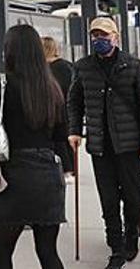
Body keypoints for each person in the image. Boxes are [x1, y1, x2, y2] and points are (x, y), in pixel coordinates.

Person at [67, 17, 140, 269]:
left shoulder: (133, 66)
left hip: (130, 145)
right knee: (107, 198)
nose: (99, 40)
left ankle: (132, 235)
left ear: (115, 37)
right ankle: (116, 247)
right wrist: (74, 130)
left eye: (104, 35)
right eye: (95, 35)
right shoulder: (83, 67)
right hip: (99, 145)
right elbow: (74, 102)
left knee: (132, 197)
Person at [0, 24, 69, 269]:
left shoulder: (2, 84)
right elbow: (61, 135)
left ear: (10, 51)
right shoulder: (52, 87)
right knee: (47, 251)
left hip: (16, 175)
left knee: (1, 252)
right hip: (48, 175)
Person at [42, 36, 76, 178]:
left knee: (58, 139)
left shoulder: (44, 69)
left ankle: (66, 168)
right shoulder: (67, 65)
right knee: (66, 137)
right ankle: (71, 167)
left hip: (52, 108)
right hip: (68, 107)